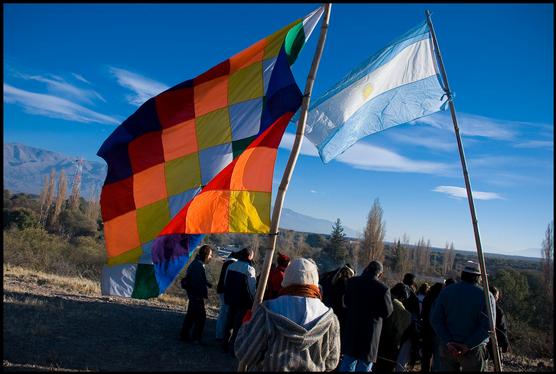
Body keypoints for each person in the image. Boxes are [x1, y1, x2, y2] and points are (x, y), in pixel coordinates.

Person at [235, 257, 341, 371]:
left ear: (286, 280)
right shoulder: (330, 318)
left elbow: (246, 354)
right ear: (315, 282)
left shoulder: (267, 311)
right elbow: (331, 362)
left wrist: (246, 326)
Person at [429, 261, 496, 372]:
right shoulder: (486, 296)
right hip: (474, 351)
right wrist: (467, 346)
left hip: (448, 349)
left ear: (463, 274)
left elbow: (435, 320)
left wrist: (449, 342)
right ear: (478, 277)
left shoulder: (447, 291)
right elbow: (488, 327)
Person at [339, 260, 393, 372]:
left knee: (348, 361)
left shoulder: (352, 282)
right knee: (364, 365)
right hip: (371, 333)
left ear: (367, 268)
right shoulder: (383, 289)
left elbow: (346, 302)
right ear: (380, 274)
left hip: (353, 328)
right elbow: (387, 312)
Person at [222, 246, 257, 353]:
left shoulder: (231, 265)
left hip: (230, 298)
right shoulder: (249, 269)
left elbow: (225, 281)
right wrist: (254, 299)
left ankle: (224, 344)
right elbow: (251, 288)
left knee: (228, 322)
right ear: (249, 256)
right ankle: (233, 347)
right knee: (238, 325)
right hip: (242, 301)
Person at [180, 244, 213, 344]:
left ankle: (184, 335)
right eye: (210, 255)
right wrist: (199, 296)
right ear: (206, 254)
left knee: (191, 315)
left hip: (193, 295)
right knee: (201, 318)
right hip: (196, 296)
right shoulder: (198, 266)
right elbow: (196, 282)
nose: (211, 257)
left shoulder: (197, 263)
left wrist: (206, 283)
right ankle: (196, 338)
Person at [375, 283, 413, 372]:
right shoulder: (405, 314)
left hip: (375, 345)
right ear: (403, 298)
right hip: (390, 350)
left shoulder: (380, 301)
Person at [215, 246, 242, 342]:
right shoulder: (232, 263)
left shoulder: (227, 261)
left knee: (223, 312)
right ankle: (220, 335)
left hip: (221, 290)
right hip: (225, 291)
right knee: (225, 313)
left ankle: (219, 333)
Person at [397, 273, 421, 371]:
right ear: (413, 283)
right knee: (403, 355)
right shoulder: (414, 297)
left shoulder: (396, 291)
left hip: (395, 326)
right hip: (408, 328)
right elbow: (417, 315)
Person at [420, 282, 445, 372]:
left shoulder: (427, 298)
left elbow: (422, 313)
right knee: (437, 355)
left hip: (426, 329)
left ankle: (424, 369)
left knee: (426, 355)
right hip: (436, 331)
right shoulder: (440, 299)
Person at [487, 286, 510, 362]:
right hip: (493, 342)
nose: (497, 298)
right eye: (496, 296)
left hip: (480, 341)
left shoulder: (480, 306)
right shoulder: (498, 311)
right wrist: (505, 343)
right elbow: (502, 328)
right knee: (497, 363)